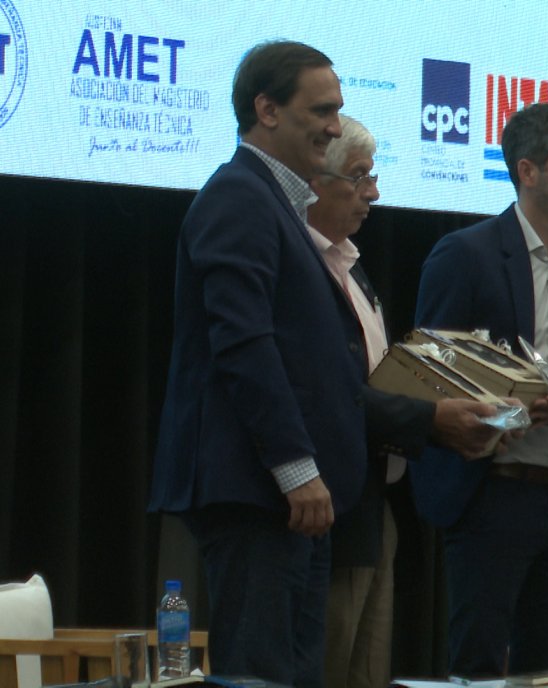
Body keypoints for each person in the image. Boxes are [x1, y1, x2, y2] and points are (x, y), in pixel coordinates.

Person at [148, 40, 362, 687]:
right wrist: (297, 469)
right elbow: (243, 346)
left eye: (337, 110)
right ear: (266, 110)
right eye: (321, 110)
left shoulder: (277, 204)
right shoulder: (239, 197)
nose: (335, 127)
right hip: (259, 492)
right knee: (259, 677)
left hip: (288, 500)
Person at [410, 102, 548, 677]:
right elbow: (427, 370)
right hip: (491, 492)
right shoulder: (466, 254)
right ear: (528, 171)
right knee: (481, 663)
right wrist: (491, 409)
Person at [305, 115, 501, 688]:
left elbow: (373, 380)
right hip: (327, 506)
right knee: (327, 668)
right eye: (360, 177)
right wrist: (432, 418)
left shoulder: (350, 265)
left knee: (369, 673)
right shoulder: (302, 269)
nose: (373, 192)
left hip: (374, 504)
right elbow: (331, 395)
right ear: (316, 182)